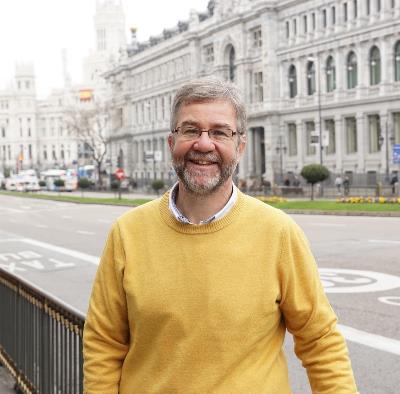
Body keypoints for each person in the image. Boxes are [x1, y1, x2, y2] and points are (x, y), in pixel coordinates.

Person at [83, 78, 358, 393]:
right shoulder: (127, 233)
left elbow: (320, 339)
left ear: (240, 147)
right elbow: (104, 343)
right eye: (190, 130)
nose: (203, 144)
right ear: (171, 143)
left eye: (219, 132)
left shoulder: (278, 233)